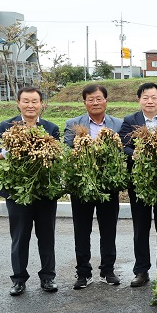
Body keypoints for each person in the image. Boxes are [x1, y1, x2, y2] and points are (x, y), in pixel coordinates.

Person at [0, 87, 61, 296]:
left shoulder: (51, 128)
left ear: (41, 104)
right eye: (26, 101)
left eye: (34, 101)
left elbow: (58, 156)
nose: (30, 105)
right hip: (17, 191)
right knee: (20, 236)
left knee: (46, 236)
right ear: (18, 103)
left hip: (44, 191)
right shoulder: (6, 126)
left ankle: (48, 278)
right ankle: (19, 279)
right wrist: (13, 149)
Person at [119, 83, 157, 288]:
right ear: (139, 100)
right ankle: (141, 270)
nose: (150, 101)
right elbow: (124, 146)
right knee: (141, 227)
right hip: (139, 182)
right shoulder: (130, 121)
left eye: (153, 97)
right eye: (145, 97)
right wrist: (135, 154)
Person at [63, 84, 123, 288]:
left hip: (108, 186)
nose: (95, 103)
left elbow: (123, 152)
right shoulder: (73, 124)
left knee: (109, 229)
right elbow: (67, 151)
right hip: (82, 185)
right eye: (90, 99)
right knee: (82, 230)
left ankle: (108, 270)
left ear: (106, 101)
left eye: (99, 99)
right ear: (84, 102)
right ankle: (83, 272)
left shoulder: (118, 124)